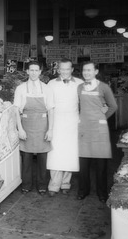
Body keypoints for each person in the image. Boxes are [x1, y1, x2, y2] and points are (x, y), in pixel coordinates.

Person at [77, 61, 118, 202]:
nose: (86, 73)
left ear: (95, 72)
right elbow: (77, 105)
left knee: (101, 164)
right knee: (83, 163)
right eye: (84, 70)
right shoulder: (79, 87)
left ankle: (102, 193)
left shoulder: (104, 87)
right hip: (84, 128)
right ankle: (83, 191)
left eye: (89, 70)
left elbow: (113, 106)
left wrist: (102, 117)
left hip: (99, 129)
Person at [14, 61, 54, 195]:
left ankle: (42, 185)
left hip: (43, 126)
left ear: (40, 72)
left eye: (36, 70)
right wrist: (20, 129)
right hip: (26, 125)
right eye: (31, 70)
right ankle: (26, 185)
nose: (34, 73)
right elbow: (16, 110)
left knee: (43, 158)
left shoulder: (46, 88)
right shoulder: (20, 88)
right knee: (26, 157)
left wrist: (50, 129)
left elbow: (51, 110)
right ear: (27, 72)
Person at [46, 58, 82, 196]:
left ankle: (66, 183)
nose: (65, 71)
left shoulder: (80, 83)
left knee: (70, 153)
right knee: (55, 152)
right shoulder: (51, 84)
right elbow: (48, 105)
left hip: (73, 122)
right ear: (58, 70)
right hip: (56, 121)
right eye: (62, 69)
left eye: (68, 69)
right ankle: (54, 184)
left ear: (72, 70)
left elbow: (85, 103)